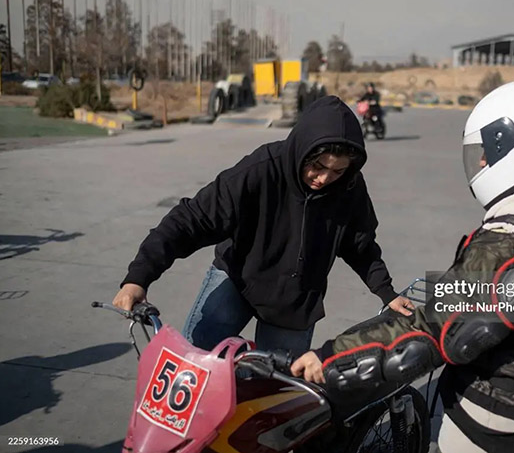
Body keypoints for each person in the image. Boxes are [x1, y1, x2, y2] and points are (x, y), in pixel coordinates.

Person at [292, 80, 514, 453]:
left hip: (501, 430)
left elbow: (435, 328)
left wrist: (331, 357)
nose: (481, 161)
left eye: (489, 151)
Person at [112, 96, 413, 357]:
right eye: (318, 166)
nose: (324, 179)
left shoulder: (349, 188)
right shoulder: (261, 169)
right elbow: (191, 219)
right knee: (196, 367)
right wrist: (138, 278)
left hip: (295, 299)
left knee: (276, 395)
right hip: (238, 279)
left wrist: (387, 292)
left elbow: (360, 245)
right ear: (303, 149)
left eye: (337, 171)